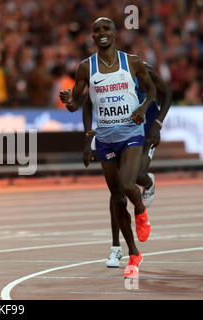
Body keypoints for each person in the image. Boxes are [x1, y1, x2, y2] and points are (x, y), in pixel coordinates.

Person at [59, 17, 156, 279]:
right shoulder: (85, 68)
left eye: (106, 29)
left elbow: (151, 91)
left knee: (127, 184)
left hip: (131, 132)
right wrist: (69, 101)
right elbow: (77, 104)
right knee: (116, 199)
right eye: (97, 30)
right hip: (105, 138)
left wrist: (143, 109)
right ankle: (133, 254)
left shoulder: (131, 62)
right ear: (92, 37)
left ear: (114, 33)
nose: (102, 33)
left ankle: (142, 212)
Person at [82, 62, 172, 268]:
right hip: (116, 132)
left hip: (144, 129)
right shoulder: (103, 76)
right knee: (117, 190)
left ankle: (147, 182)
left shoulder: (142, 70)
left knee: (136, 176)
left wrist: (157, 124)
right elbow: (87, 102)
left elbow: (166, 93)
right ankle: (116, 248)